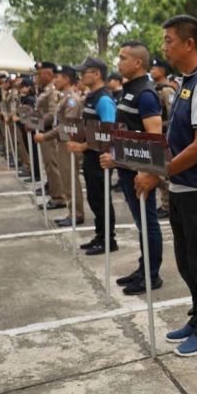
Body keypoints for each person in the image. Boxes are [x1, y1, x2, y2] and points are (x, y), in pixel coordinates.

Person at [136, 15, 197, 356]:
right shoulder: (188, 82)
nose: (164, 47)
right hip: (182, 188)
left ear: (189, 43)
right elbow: (177, 137)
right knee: (188, 261)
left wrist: (159, 173)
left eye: (169, 40)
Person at [100, 41, 164, 295]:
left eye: (123, 57)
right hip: (127, 168)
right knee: (141, 223)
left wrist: (149, 172)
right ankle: (143, 267)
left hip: (139, 172)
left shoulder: (145, 93)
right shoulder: (127, 90)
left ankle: (151, 275)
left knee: (147, 223)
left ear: (137, 62)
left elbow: (154, 136)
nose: (118, 62)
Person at [71, 57, 118, 255]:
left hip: (101, 157)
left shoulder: (104, 99)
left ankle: (108, 239)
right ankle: (100, 235)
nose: (81, 75)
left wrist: (83, 145)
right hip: (91, 157)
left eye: (85, 71)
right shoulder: (92, 97)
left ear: (97, 74)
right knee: (94, 198)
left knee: (101, 199)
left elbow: (109, 132)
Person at [36, 65, 85, 226]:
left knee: (70, 179)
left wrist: (45, 136)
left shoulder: (71, 99)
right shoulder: (64, 97)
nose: (55, 80)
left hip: (68, 142)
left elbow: (66, 125)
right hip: (63, 141)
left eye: (58, 77)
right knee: (66, 178)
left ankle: (76, 213)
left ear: (66, 79)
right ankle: (72, 211)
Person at [30, 61, 67, 210]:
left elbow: (53, 115)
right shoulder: (45, 90)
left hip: (50, 134)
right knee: (49, 166)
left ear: (49, 74)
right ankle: (54, 193)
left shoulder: (53, 91)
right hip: (45, 132)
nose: (37, 77)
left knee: (52, 166)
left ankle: (58, 198)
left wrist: (35, 123)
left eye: (40, 74)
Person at [151, 58, 175, 219]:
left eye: (155, 68)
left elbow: (172, 115)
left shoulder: (167, 91)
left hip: (165, 135)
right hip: (158, 135)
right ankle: (165, 203)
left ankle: (167, 205)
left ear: (163, 71)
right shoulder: (156, 89)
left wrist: (159, 124)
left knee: (164, 174)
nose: (152, 70)